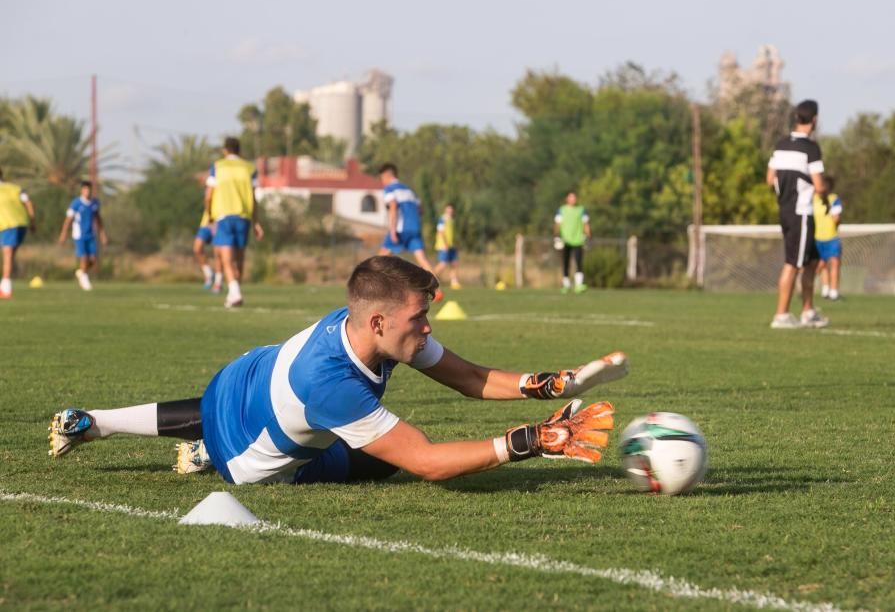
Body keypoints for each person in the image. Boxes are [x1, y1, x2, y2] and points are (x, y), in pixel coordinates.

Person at [48, 256, 628, 485]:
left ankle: (92, 421)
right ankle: (209, 454)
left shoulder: (367, 325)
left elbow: (466, 376)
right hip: (250, 461)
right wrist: (529, 441)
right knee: (381, 467)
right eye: (420, 318)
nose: (427, 328)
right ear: (379, 323)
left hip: (238, 379)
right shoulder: (333, 385)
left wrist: (549, 384)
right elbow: (425, 460)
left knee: (235, 415)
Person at [766, 100, 829, 329]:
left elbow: (769, 179)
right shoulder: (811, 148)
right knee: (793, 263)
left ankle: (808, 311)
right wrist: (821, 197)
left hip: (786, 211)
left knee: (811, 262)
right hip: (801, 211)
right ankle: (781, 315)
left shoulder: (781, 144)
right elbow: (820, 185)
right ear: (814, 119)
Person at [204, 137, 263, 308]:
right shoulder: (249, 168)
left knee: (226, 259)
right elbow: (253, 197)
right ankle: (234, 293)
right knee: (239, 258)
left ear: (225, 150)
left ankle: (234, 292)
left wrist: (209, 216)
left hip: (223, 215)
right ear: (239, 150)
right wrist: (256, 222)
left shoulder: (218, 166)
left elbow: (209, 195)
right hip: (243, 216)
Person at [376, 163, 443, 301]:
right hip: (415, 227)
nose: (382, 181)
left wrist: (393, 230)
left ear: (387, 175)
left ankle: (373, 290)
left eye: (382, 178)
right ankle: (436, 290)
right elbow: (421, 209)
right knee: (423, 260)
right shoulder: (409, 190)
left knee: (380, 259)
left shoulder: (390, 189)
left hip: (401, 228)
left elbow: (393, 207)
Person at [58, 179, 107, 292]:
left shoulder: (95, 203)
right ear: (82, 190)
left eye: (89, 189)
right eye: (85, 189)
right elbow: (68, 219)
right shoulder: (76, 203)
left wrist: (102, 233)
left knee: (93, 260)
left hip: (91, 234)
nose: (87, 192)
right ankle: (85, 282)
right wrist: (63, 233)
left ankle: (81, 272)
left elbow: (98, 218)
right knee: (84, 258)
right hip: (79, 235)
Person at [0, 167, 36, 299]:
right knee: (10, 255)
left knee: (7, 255)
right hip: (22, 224)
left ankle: (5, 289)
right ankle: (5, 284)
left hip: (8, 225)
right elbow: (28, 202)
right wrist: (32, 221)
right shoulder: (15, 188)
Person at [813, 174, 843, 301]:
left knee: (834, 263)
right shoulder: (812, 199)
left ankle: (834, 291)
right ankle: (824, 289)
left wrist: (831, 211)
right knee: (820, 265)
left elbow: (836, 219)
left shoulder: (834, 199)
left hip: (831, 237)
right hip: (816, 237)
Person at [554, 192, 591, 294]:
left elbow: (585, 224)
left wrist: (588, 236)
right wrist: (557, 236)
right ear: (567, 199)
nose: (573, 199)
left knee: (579, 262)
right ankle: (566, 285)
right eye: (571, 197)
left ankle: (579, 285)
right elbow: (557, 224)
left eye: (574, 197)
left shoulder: (581, 210)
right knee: (565, 263)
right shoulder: (562, 210)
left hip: (578, 240)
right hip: (565, 240)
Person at [193, 210, 222, 293]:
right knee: (197, 248)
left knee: (218, 253)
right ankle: (209, 274)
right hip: (206, 223)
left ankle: (218, 282)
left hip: (220, 222)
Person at [433, 204, 460, 290]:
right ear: (445, 210)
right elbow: (440, 232)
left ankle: (454, 282)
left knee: (454, 263)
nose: (450, 211)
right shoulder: (442, 219)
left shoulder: (452, 220)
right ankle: (430, 278)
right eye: (448, 210)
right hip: (443, 246)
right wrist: (445, 244)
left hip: (451, 246)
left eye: (451, 210)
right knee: (442, 264)